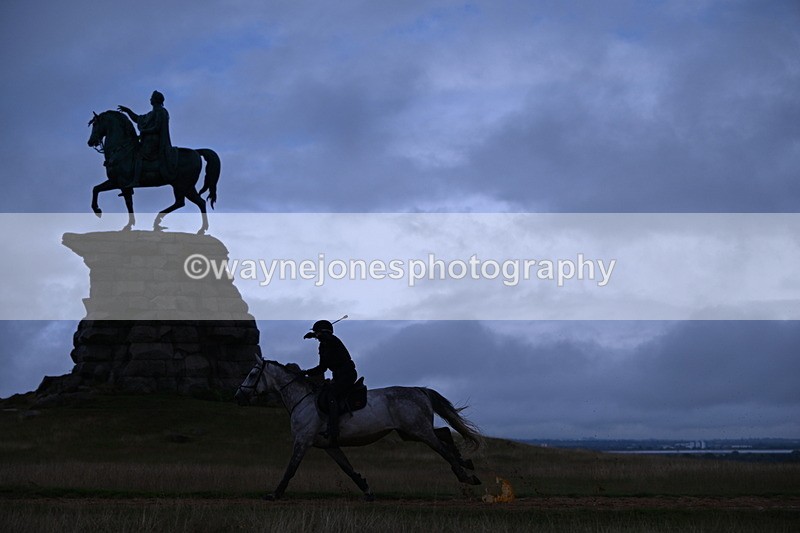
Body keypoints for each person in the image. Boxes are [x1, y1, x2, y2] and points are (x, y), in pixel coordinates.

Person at [302, 319, 357, 443]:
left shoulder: (332, 341)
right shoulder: (323, 345)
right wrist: (305, 372)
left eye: (317, 334)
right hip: (338, 376)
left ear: (323, 333)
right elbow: (322, 367)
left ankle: (333, 429)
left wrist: (316, 334)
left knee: (331, 395)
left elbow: (329, 338)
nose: (317, 337)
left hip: (347, 375)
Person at [117, 90, 178, 189]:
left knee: (138, 155)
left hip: (154, 142)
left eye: (152, 98)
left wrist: (144, 131)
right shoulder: (151, 113)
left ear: (155, 100)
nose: (150, 99)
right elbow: (138, 119)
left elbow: (157, 127)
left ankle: (136, 180)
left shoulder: (161, 111)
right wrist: (128, 111)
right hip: (147, 141)